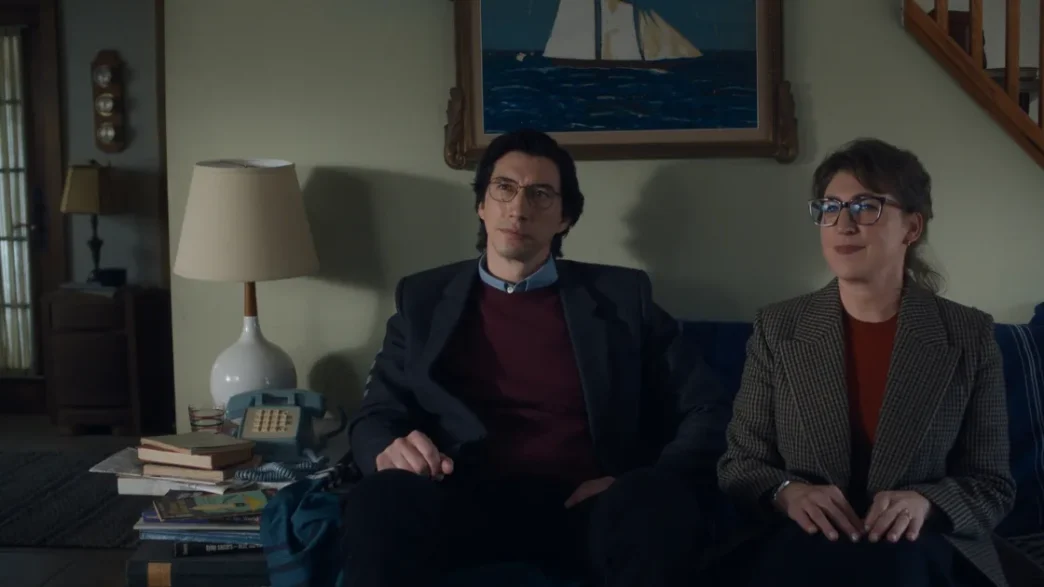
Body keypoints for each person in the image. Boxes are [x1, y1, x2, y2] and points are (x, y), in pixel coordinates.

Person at [341, 129, 728, 587]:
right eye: (504, 188)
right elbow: (375, 416)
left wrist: (644, 478)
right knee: (378, 501)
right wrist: (386, 449)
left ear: (564, 218)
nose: (519, 208)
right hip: (458, 499)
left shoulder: (624, 299)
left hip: (585, 506)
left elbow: (707, 407)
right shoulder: (422, 299)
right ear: (481, 204)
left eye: (540, 194)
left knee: (655, 503)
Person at [716, 138, 1016, 587]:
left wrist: (926, 503)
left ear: (911, 227)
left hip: (919, 545)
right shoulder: (778, 328)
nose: (843, 224)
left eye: (865, 207)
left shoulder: (968, 335)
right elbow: (740, 463)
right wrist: (788, 493)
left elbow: (993, 485)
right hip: (802, 541)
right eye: (830, 208)